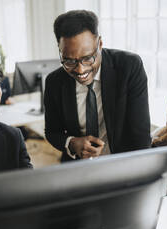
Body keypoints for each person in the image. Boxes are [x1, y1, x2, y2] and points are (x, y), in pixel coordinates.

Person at [44, 10, 151, 161]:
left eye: (87, 58)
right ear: (60, 51)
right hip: (77, 167)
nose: (80, 70)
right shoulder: (54, 82)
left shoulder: (129, 66)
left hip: (122, 165)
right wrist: (72, 143)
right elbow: (52, 132)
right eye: (69, 61)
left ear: (100, 44)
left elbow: (140, 135)